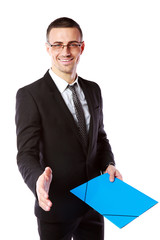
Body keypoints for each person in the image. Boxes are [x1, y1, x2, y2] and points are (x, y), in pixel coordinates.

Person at [15, 17, 122, 240]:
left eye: (72, 44)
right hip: (56, 207)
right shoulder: (30, 95)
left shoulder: (93, 90)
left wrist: (109, 165)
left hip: (94, 204)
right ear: (48, 48)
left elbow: (100, 138)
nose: (65, 51)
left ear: (81, 47)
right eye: (58, 45)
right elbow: (26, 153)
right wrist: (37, 180)